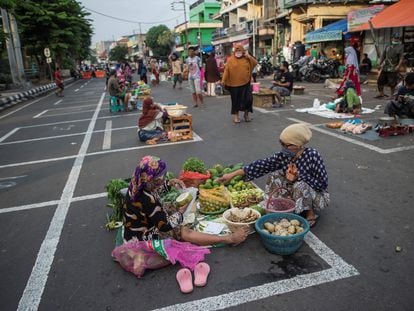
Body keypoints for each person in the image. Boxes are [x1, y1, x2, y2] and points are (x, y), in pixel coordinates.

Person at [218, 123, 329, 227]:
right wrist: (232, 174)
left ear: (298, 145)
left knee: (300, 184)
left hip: (315, 195)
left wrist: (299, 176)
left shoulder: (313, 156)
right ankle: (275, 205)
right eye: (281, 143)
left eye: (286, 145)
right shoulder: (283, 156)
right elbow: (261, 165)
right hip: (294, 191)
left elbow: (322, 184)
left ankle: (310, 213)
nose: (283, 147)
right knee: (275, 175)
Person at [123, 155, 249, 245]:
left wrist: (168, 184)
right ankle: (229, 239)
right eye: (160, 177)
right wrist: (180, 213)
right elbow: (165, 227)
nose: (162, 179)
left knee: (172, 209)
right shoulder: (146, 198)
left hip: (136, 229)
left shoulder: (138, 184)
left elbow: (154, 193)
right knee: (182, 231)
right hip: (141, 238)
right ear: (150, 178)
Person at [221, 45, 257, 123]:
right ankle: (236, 117)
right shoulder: (230, 60)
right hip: (234, 85)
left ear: (243, 51)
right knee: (235, 101)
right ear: (234, 52)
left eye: (240, 51)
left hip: (246, 83)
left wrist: (249, 56)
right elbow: (226, 71)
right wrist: (223, 80)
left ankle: (246, 115)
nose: (238, 52)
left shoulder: (246, 59)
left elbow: (255, 63)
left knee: (248, 99)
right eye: (236, 51)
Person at [375, 33, 405, 99]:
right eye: (395, 38)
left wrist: (398, 66)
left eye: (397, 38)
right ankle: (381, 93)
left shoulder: (400, 47)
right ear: (392, 38)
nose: (396, 39)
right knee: (380, 80)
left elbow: (401, 58)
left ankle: (391, 95)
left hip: (393, 67)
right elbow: (383, 56)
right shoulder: (387, 46)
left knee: (392, 83)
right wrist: (380, 64)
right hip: (385, 66)